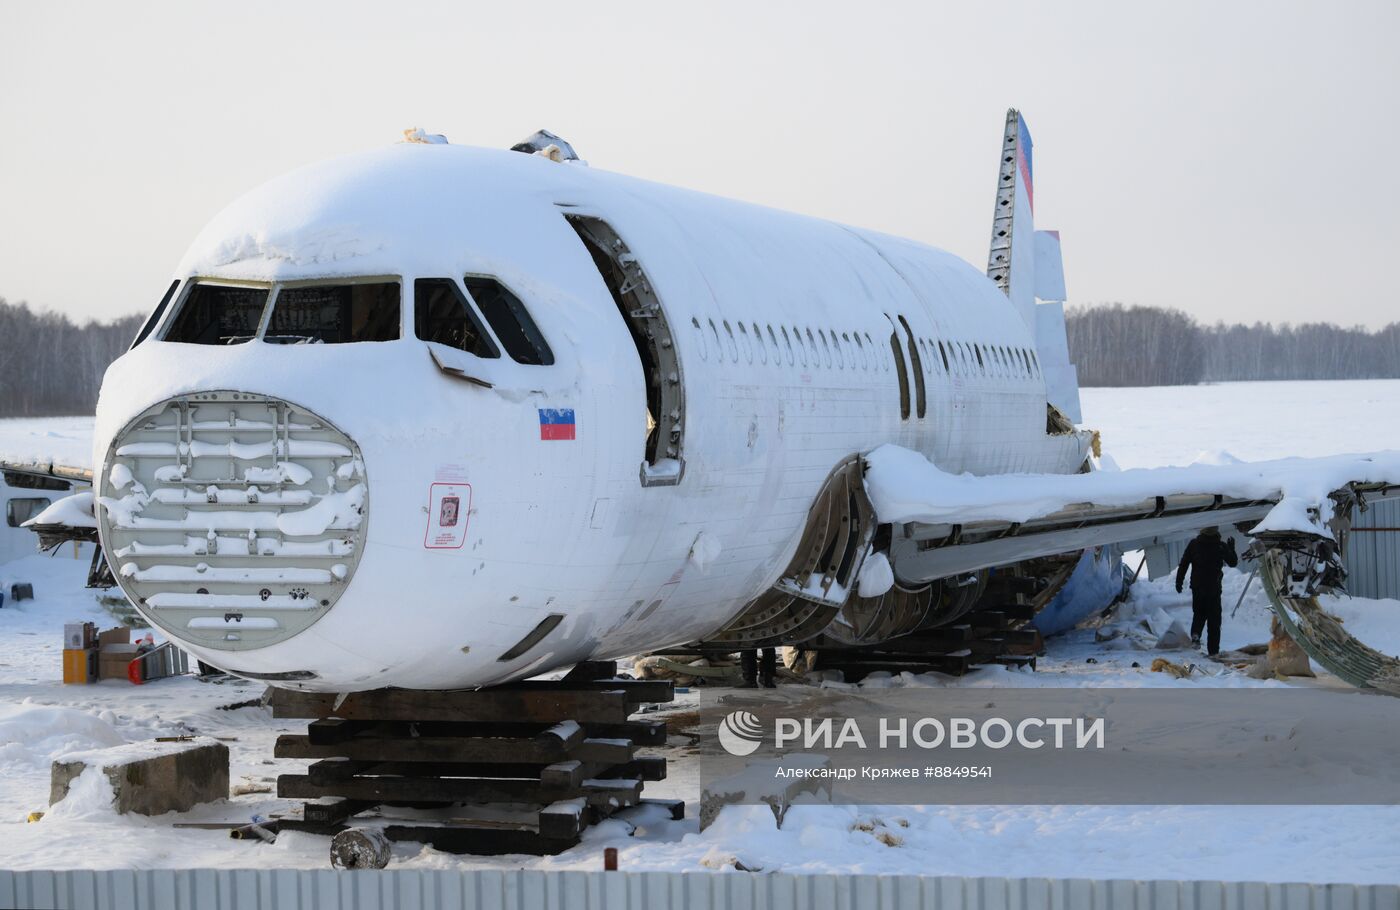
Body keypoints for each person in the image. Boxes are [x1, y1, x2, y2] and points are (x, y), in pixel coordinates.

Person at [1175, 527, 1238, 656]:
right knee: (1214, 621)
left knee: (1199, 613)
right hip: (1213, 589)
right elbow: (1233, 562)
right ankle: (1213, 652)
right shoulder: (1220, 546)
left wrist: (1179, 581)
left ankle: (1196, 634)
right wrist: (1231, 549)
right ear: (1216, 532)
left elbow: (1184, 564)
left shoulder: (1194, 544)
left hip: (1198, 587)